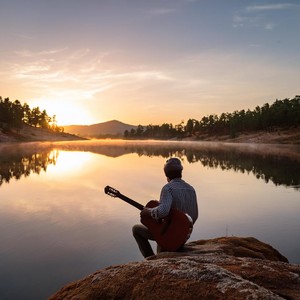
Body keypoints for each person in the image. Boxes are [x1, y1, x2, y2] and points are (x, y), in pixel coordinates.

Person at [132, 157, 198, 258]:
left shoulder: (168, 188)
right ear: (181, 172)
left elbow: (162, 211)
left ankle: (150, 259)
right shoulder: (191, 189)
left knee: (136, 229)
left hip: (170, 238)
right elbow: (194, 215)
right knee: (161, 228)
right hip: (182, 238)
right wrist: (180, 229)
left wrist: (148, 212)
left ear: (166, 174)